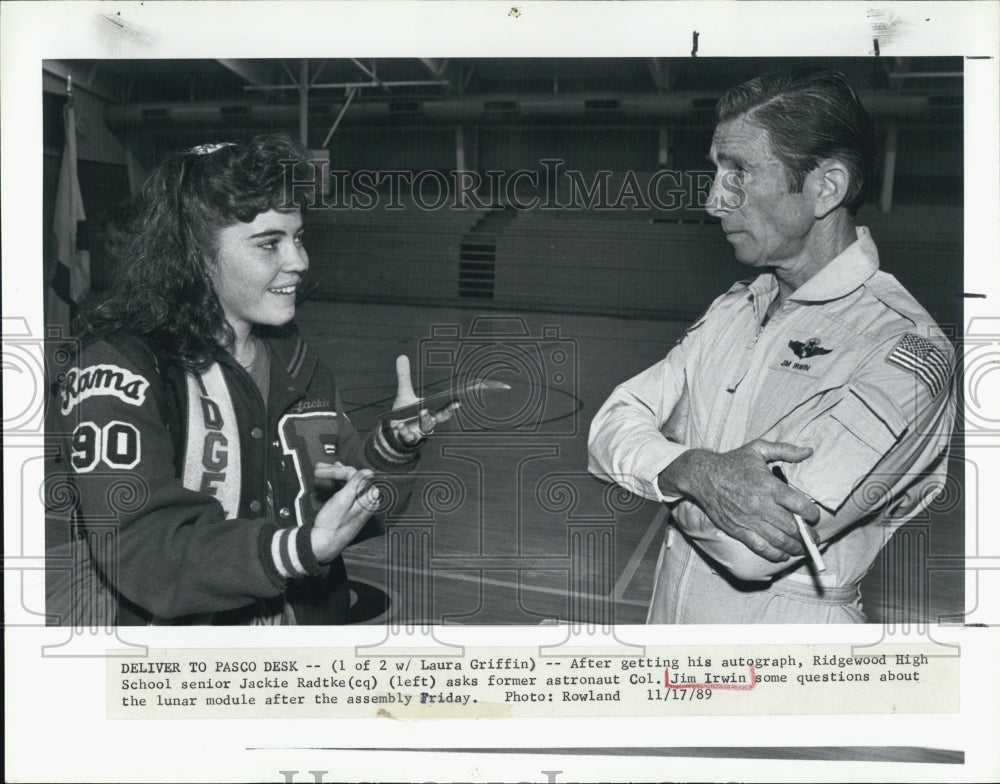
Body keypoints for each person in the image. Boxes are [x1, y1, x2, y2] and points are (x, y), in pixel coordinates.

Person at [588, 69, 957, 624]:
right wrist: (693, 469)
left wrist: (659, 459)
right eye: (717, 172)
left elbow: (756, 545)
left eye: (738, 172)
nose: (714, 201)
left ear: (825, 188)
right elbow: (608, 426)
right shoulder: (734, 308)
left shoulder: (904, 348)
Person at [48, 134, 456, 625]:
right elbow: (146, 553)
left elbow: (349, 509)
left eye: (298, 237)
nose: (299, 262)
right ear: (193, 256)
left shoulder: (298, 362)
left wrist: (393, 447)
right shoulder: (119, 369)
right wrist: (300, 548)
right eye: (269, 244)